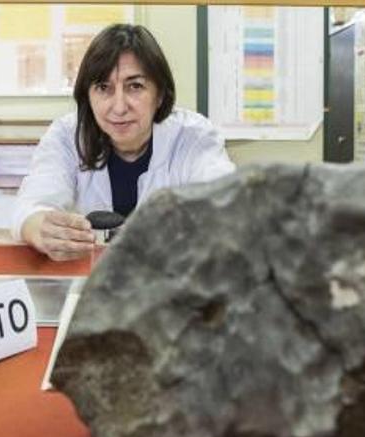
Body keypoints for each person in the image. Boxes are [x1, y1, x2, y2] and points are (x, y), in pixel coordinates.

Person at [12, 24, 236, 261]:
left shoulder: (193, 137)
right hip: (86, 282)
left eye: (135, 86)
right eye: (103, 87)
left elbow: (226, 204)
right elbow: (31, 207)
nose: (119, 107)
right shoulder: (66, 136)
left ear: (160, 94)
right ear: (88, 95)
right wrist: (43, 229)